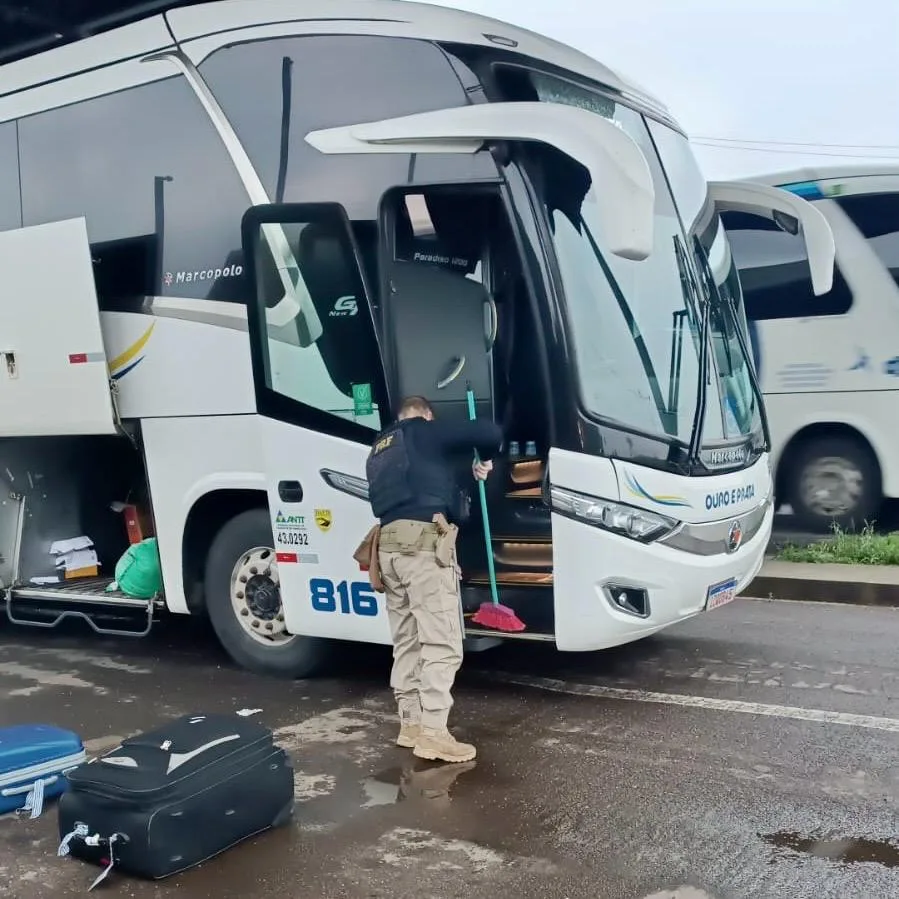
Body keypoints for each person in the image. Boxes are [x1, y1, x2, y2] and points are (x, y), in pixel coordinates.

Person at [365, 394, 503, 763]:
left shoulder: (380, 447)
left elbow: (422, 489)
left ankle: (410, 724)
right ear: (426, 415)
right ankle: (434, 733)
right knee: (442, 644)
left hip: (388, 550)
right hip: (421, 549)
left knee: (407, 641)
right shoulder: (424, 431)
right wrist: (485, 461)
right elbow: (490, 432)